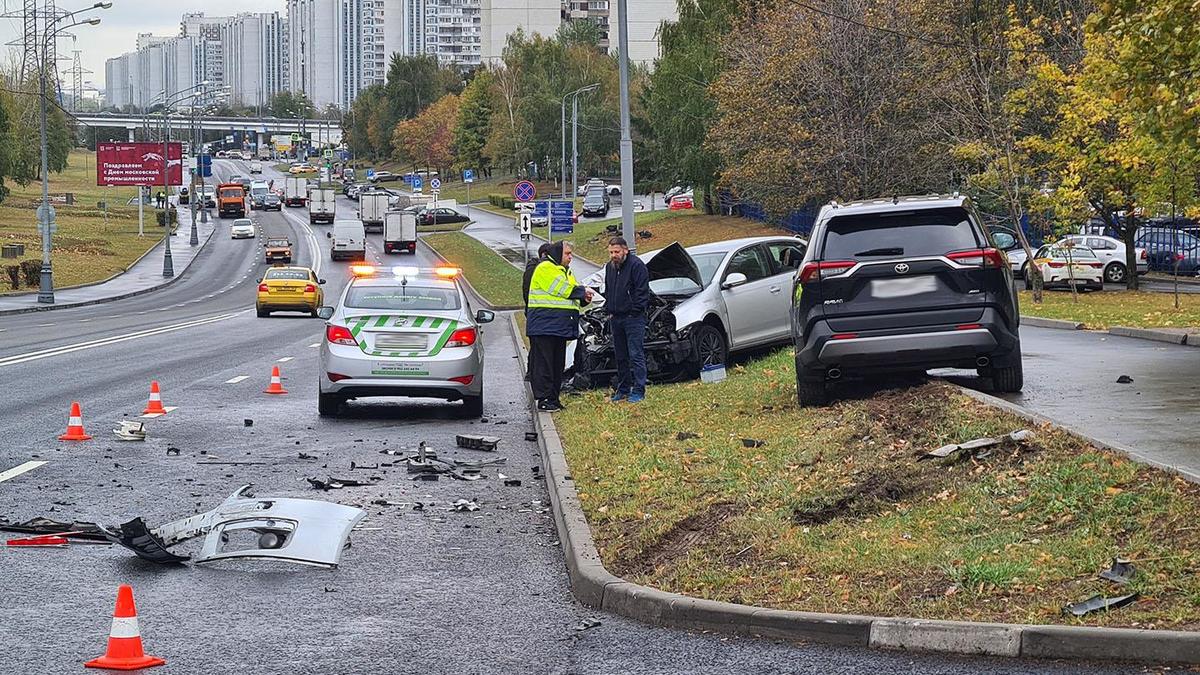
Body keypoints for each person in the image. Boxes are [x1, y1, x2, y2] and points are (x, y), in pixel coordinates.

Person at [526, 241, 592, 411]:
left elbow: (570, 295)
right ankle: (544, 399)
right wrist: (582, 292)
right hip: (544, 325)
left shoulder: (565, 271)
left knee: (557, 365)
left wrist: (584, 299)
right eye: (567, 254)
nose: (571, 257)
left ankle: (553, 398)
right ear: (557, 254)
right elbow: (563, 289)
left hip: (558, 326)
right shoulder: (545, 268)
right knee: (544, 365)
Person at [602, 237, 650, 403]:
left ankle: (638, 390)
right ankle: (623, 389)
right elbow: (609, 289)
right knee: (620, 355)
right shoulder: (610, 267)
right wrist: (609, 308)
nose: (613, 255)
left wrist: (635, 311)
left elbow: (642, 292)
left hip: (633, 318)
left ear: (625, 250)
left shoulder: (637, 266)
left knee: (636, 354)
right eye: (611, 252)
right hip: (616, 317)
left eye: (616, 252)